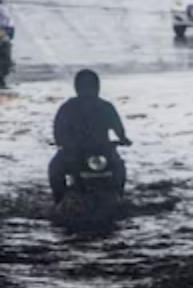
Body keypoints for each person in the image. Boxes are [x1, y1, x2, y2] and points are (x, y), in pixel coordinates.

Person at [48, 69, 132, 204]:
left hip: (103, 151)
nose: (88, 91)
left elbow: (119, 129)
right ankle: (58, 201)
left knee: (119, 167)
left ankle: (119, 196)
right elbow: (58, 131)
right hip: (74, 152)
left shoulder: (106, 107)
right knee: (56, 169)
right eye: (84, 87)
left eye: (90, 86)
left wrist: (123, 139)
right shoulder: (68, 108)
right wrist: (64, 143)